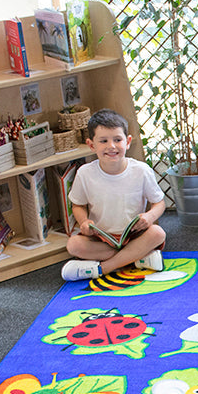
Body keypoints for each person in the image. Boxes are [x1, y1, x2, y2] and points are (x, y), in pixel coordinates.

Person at [60, 109, 166, 281]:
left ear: (128, 141)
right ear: (92, 145)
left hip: (134, 235)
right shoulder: (85, 173)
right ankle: (136, 257)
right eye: (103, 141)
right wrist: (84, 222)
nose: (112, 146)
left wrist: (150, 216)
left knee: (158, 233)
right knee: (73, 245)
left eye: (118, 140)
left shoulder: (141, 170)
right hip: (101, 238)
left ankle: (102, 268)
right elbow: (78, 205)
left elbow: (159, 203)